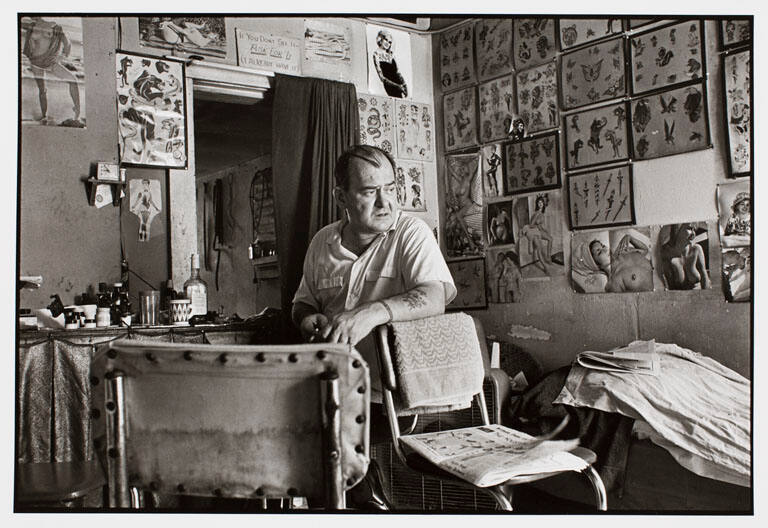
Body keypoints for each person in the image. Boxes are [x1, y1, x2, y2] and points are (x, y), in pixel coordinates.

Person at [292, 145, 455, 509]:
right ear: (341, 197)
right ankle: (360, 496)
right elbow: (302, 302)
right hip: (331, 390)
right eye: (369, 191)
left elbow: (434, 298)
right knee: (281, 434)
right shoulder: (322, 243)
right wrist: (306, 318)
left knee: (325, 445)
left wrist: (369, 313)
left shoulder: (411, 233)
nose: (386, 202)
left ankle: (366, 497)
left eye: (391, 187)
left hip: (392, 399)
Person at [22, 17, 82, 126]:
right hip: (36, 62)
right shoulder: (31, 26)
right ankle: (44, 116)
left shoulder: (54, 27)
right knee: (42, 90)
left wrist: (63, 57)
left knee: (73, 80)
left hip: (50, 62)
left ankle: (77, 113)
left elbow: (67, 44)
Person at [589, 234, 653, 293]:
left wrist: (630, 238)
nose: (605, 249)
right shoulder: (613, 284)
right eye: (599, 252)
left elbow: (645, 250)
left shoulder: (623, 252)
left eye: (603, 246)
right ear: (597, 265)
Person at [660, 223, 711, 290]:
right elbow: (671, 288)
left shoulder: (696, 250)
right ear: (677, 229)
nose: (693, 234)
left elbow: (705, 280)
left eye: (694, 230)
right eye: (690, 228)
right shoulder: (666, 255)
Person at [519, 194, 553, 273]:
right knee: (539, 248)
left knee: (550, 239)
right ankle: (545, 267)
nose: (540, 204)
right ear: (537, 204)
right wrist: (537, 227)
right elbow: (531, 225)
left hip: (537, 230)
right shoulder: (537, 213)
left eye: (541, 202)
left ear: (544, 204)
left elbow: (540, 226)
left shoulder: (542, 213)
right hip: (533, 232)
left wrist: (545, 231)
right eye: (539, 203)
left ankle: (548, 257)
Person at [372, 29, 408, 98]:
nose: (388, 43)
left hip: (399, 86)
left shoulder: (391, 55)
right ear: (380, 39)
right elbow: (382, 78)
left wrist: (404, 84)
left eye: (390, 42)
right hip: (390, 87)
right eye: (386, 40)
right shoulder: (376, 54)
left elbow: (398, 72)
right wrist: (397, 86)